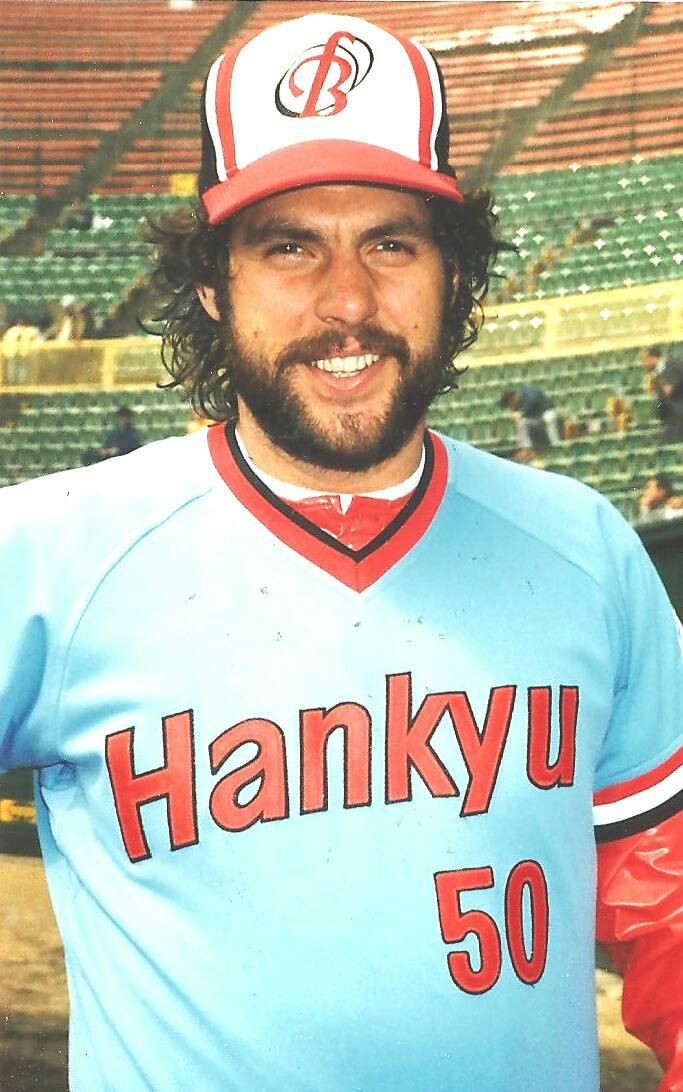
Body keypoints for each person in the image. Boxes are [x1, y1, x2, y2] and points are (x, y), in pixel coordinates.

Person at [1, 14, 681, 1092]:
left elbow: (669, 899)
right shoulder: (47, 556)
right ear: (213, 283)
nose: (348, 301)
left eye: (390, 242)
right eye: (289, 246)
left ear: (453, 273)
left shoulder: (583, 550)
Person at [500, 383, 561, 454]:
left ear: (513, 398)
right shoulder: (517, 405)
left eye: (509, 404)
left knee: (549, 418)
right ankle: (526, 449)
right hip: (536, 419)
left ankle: (556, 446)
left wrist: (521, 413)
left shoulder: (528, 392)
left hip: (547, 411)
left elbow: (533, 401)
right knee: (522, 423)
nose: (510, 407)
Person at [641, 345, 683, 442]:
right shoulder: (659, 371)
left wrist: (656, 381)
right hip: (671, 417)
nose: (643, 364)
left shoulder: (671, 365)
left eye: (644, 360)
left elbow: (668, 390)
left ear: (651, 358)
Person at [0, 314, 41, 385]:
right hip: (12, 354)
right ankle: (13, 385)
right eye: (19, 320)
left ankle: (20, 385)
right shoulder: (12, 331)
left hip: (23, 354)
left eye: (22, 320)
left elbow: (36, 339)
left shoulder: (30, 330)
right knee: (12, 370)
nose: (21, 322)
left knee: (22, 370)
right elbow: (6, 341)